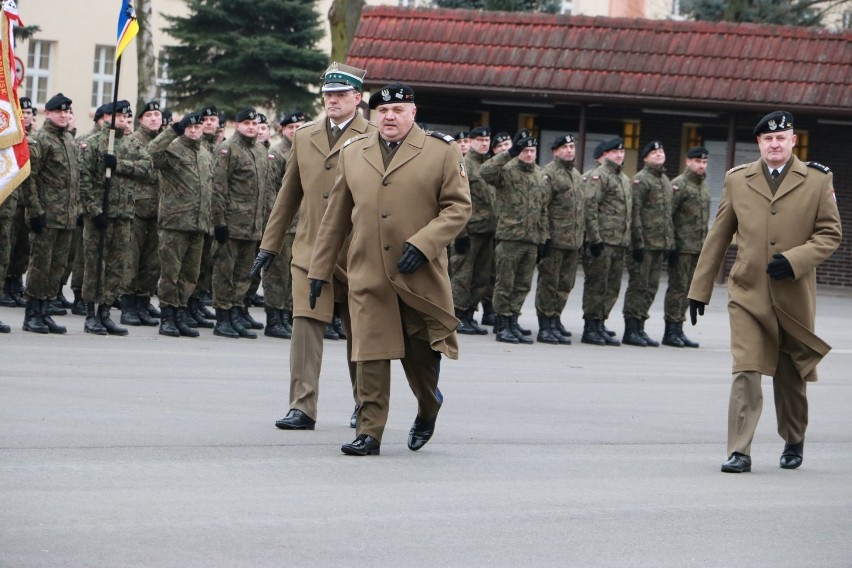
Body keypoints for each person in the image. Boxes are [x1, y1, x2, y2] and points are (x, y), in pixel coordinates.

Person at [307, 82, 471, 456]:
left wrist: (424, 243)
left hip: (417, 275)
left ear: (413, 112)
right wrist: (319, 270)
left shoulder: (441, 151)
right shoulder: (354, 152)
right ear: (373, 114)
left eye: (398, 110)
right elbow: (335, 219)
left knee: (421, 359)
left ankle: (429, 406)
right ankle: (370, 431)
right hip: (367, 273)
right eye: (382, 111)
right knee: (369, 353)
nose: (390, 117)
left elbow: (458, 208)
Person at [688, 110, 841, 474]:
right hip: (748, 293)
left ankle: (793, 438)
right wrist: (700, 288)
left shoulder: (818, 180)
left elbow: (830, 234)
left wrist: (795, 260)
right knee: (747, 368)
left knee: (790, 375)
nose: (774, 143)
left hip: (793, 297)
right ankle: (740, 450)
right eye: (767, 139)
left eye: (781, 137)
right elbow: (719, 235)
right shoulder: (738, 180)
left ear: (792, 141)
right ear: (759, 143)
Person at [250, 62, 373, 431]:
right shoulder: (304, 136)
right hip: (308, 249)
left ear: (357, 98)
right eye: (328, 95)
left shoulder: (374, 136)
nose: (332, 101)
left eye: (340, 95)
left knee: (361, 334)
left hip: (355, 252)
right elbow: (288, 196)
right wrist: (268, 247)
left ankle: (366, 404)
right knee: (305, 328)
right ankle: (302, 406)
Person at [78, 100, 156, 336]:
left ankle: (105, 311)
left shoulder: (131, 143)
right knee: (95, 265)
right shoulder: (94, 143)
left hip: (123, 214)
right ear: (108, 117)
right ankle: (91, 313)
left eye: (126, 118)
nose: (123, 121)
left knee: (116, 266)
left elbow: (147, 167)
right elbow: (84, 181)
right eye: (119, 117)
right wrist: (94, 211)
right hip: (100, 216)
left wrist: (119, 165)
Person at [148, 112, 214, 337]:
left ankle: (180, 312)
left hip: (198, 224)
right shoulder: (173, 149)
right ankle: (167, 315)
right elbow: (151, 153)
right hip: (175, 223)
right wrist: (173, 130)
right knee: (170, 273)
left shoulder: (205, 154)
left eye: (198, 127)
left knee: (190, 274)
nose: (194, 131)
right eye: (190, 127)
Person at [20, 93, 80, 334]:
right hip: (46, 216)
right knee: (40, 267)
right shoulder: (40, 140)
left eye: (67, 112)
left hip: (66, 218)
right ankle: (32, 313)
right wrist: (35, 211)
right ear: (48, 113)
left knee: (57, 267)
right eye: (59, 112)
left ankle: (46, 311)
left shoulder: (69, 140)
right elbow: (29, 177)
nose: (64, 115)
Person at [480, 135, 549, 345]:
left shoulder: (539, 174)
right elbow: (485, 172)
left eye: (532, 151)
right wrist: (508, 153)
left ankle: (513, 320)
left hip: (531, 239)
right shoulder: (507, 171)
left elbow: (542, 208)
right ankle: (502, 324)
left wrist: (544, 237)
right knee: (505, 284)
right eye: (525, 151)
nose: (529, 154)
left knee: (522, 285)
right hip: (510, 238)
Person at [210, 106, 268, 338]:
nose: (252, 127)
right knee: (225, 272)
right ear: (238, 124)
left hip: (253, 226)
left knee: (245, 273)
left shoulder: (261, 151)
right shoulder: (227, 150)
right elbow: (218, 188)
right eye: (247, 123)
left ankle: (236, 311)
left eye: (255, 124)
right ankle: (222, 317)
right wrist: (219, 223)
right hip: (232, 224)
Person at [621, 140, 674, 347]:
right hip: (643, 244)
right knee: (638, 286)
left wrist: (669, 243)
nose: (659, 154)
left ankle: (640, 326)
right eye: (654, 152)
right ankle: (631, 329)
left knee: (650, 287)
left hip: (659, 244)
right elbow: (635, 213)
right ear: (645, 158)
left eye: (661, 151)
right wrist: (637, 242)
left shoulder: (665, 181)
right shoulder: (641, 180)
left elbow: (667, 216)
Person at [581, 137, 631, 346]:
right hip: (602, 241)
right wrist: (594, 239)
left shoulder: (624, 179)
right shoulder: (599, 176)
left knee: (612, 286)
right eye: (614, 152)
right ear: (606, 154)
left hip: (618, 242)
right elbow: (590, 207)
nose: (619, 155)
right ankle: (590, 326)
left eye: (621, 152)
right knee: (597, 285)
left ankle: (601, 322)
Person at [535, 134, 584, 345]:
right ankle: (545, 323)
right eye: (564, 147)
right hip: (554, 240)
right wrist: (544, 236)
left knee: (565, 284)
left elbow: (581, 209)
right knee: (549, 283)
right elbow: (542, 207)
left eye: (572, 146)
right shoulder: (549, 174)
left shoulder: (575, 174)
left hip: (572, 241)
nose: (569, 150)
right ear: (555, 151)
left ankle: (555, 318)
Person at [662, 146, 710, 348]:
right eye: (698, 161)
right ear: (688, 162)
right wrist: (670, 245)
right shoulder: (678, 185)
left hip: (697, 247)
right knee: (677, 288)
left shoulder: (703, 187)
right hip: (681, 247)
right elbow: (668, 216)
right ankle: (670, 329)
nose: (701, 166)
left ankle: (679, 328)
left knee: (690, 289)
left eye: (704, 162)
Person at [122, 100, 164, 327]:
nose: (154, 119)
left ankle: (142, 300)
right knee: (132, 259)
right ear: (140, 120)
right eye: (149, 115)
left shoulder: (166, 140)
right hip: (137, 207)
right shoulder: (133, 141)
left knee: (152, 261)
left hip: (158, 209)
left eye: (157, 114)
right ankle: (128, 304)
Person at [450, 126, 494, 335]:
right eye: (480, 140)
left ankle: (469, 314)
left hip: (487, 230)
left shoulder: (489, 166)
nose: (484, 143)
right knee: (462, 275)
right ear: (472, 141)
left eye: (487, 140)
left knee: (481, 276)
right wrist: (460, 233)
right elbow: (455, 199)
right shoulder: (463, 164)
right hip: (469, 230)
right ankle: (457, 315)